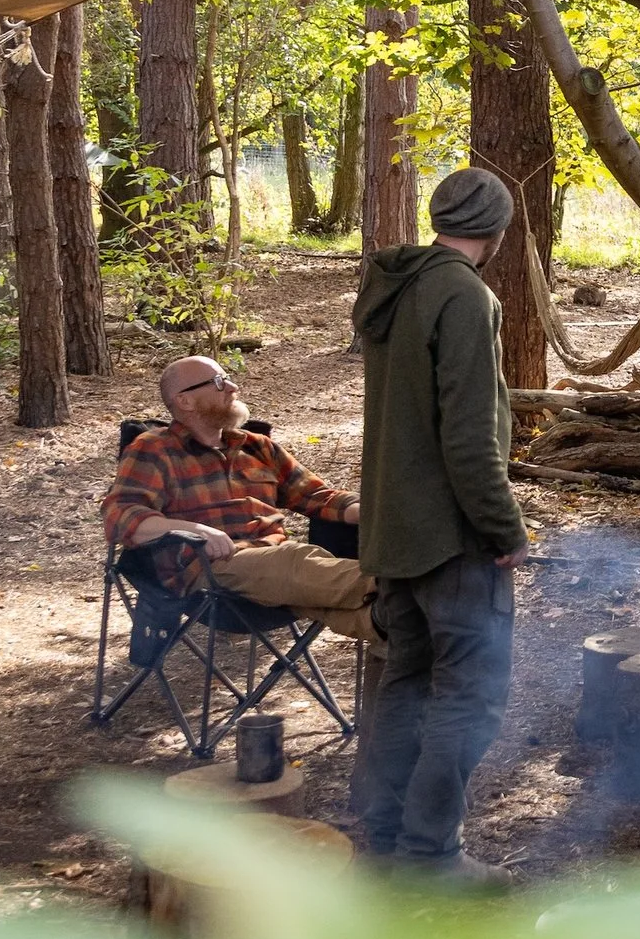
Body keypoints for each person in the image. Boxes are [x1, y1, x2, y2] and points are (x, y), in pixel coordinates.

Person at [349, 163, 528, 874]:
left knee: (406, 685)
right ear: (498, 231)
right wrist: (504, 528)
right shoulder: (463, 295)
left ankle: (384, 837)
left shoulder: (397, 285)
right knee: (469, 696)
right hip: (451, 537)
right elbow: (468, 437)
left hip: (393, 531)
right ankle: (431, 851)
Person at [102, 357, 373, 629]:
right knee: (292, 563)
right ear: (185, 401)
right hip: (209, 572)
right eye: (219, 382)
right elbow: (120, 517)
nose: (233, 387)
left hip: (278, 573)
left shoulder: (257, 447)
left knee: (379, 620)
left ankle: (399, 621)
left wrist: (373, 516)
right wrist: (198, 531)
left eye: (228, 378)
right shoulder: (155, 449)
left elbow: (317, 496)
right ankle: (399, 584)